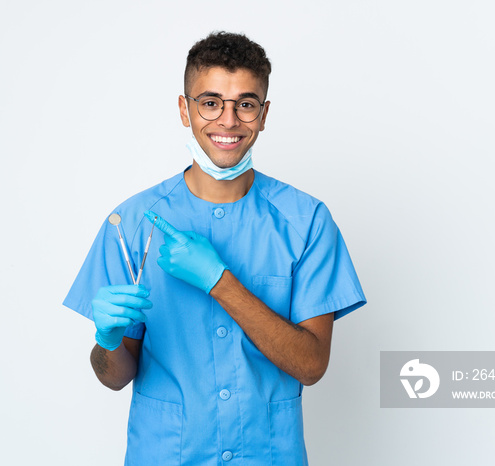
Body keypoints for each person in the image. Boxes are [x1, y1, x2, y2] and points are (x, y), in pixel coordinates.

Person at [63, 31, 366, 466]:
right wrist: (107, 341)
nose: (228, 121)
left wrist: (220, 282)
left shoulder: (306, 222)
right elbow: (113, 378)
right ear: (185, 110)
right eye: (210, 102)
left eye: (244, 104)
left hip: (269, 455)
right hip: (166, 454)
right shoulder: (129, 224)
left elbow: (311, 365)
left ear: (263, 115)